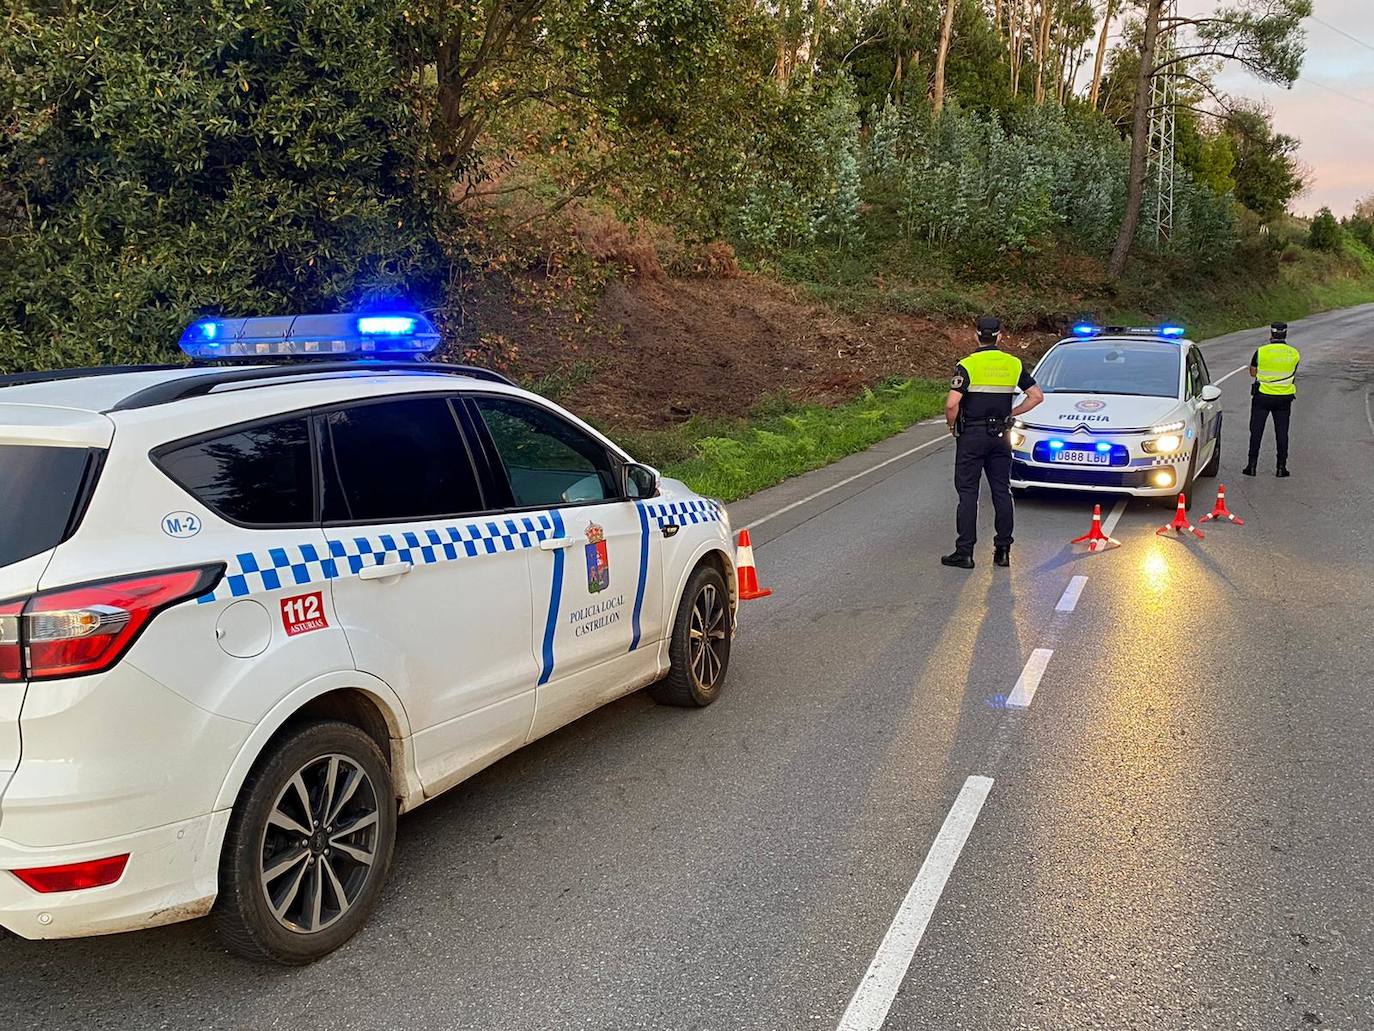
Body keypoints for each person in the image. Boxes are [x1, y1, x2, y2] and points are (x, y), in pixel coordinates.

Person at [941, 315, 1044, 569]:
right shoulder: (1013, 364)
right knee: (1001, 490)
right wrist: (1012, 414)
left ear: (976, 335)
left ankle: (964, 553)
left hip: (971, 436)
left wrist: (952, 425)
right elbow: (1036, 396)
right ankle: (1003, 551)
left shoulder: (967, 365)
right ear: (1000, 336)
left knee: (968, 494)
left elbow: (952, 403)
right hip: (1000, 435)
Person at [1243, 321, 1300, 477]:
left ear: (1271, 334)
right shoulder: (1294, 353)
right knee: (1282, 433)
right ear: (1285, 334)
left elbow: (1253, 373)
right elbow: (1293, 373)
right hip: (1284, 398)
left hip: (1262, 396)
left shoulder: (1261, 352)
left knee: (1256, 431)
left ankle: (1251, 466)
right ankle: (1281, 468)